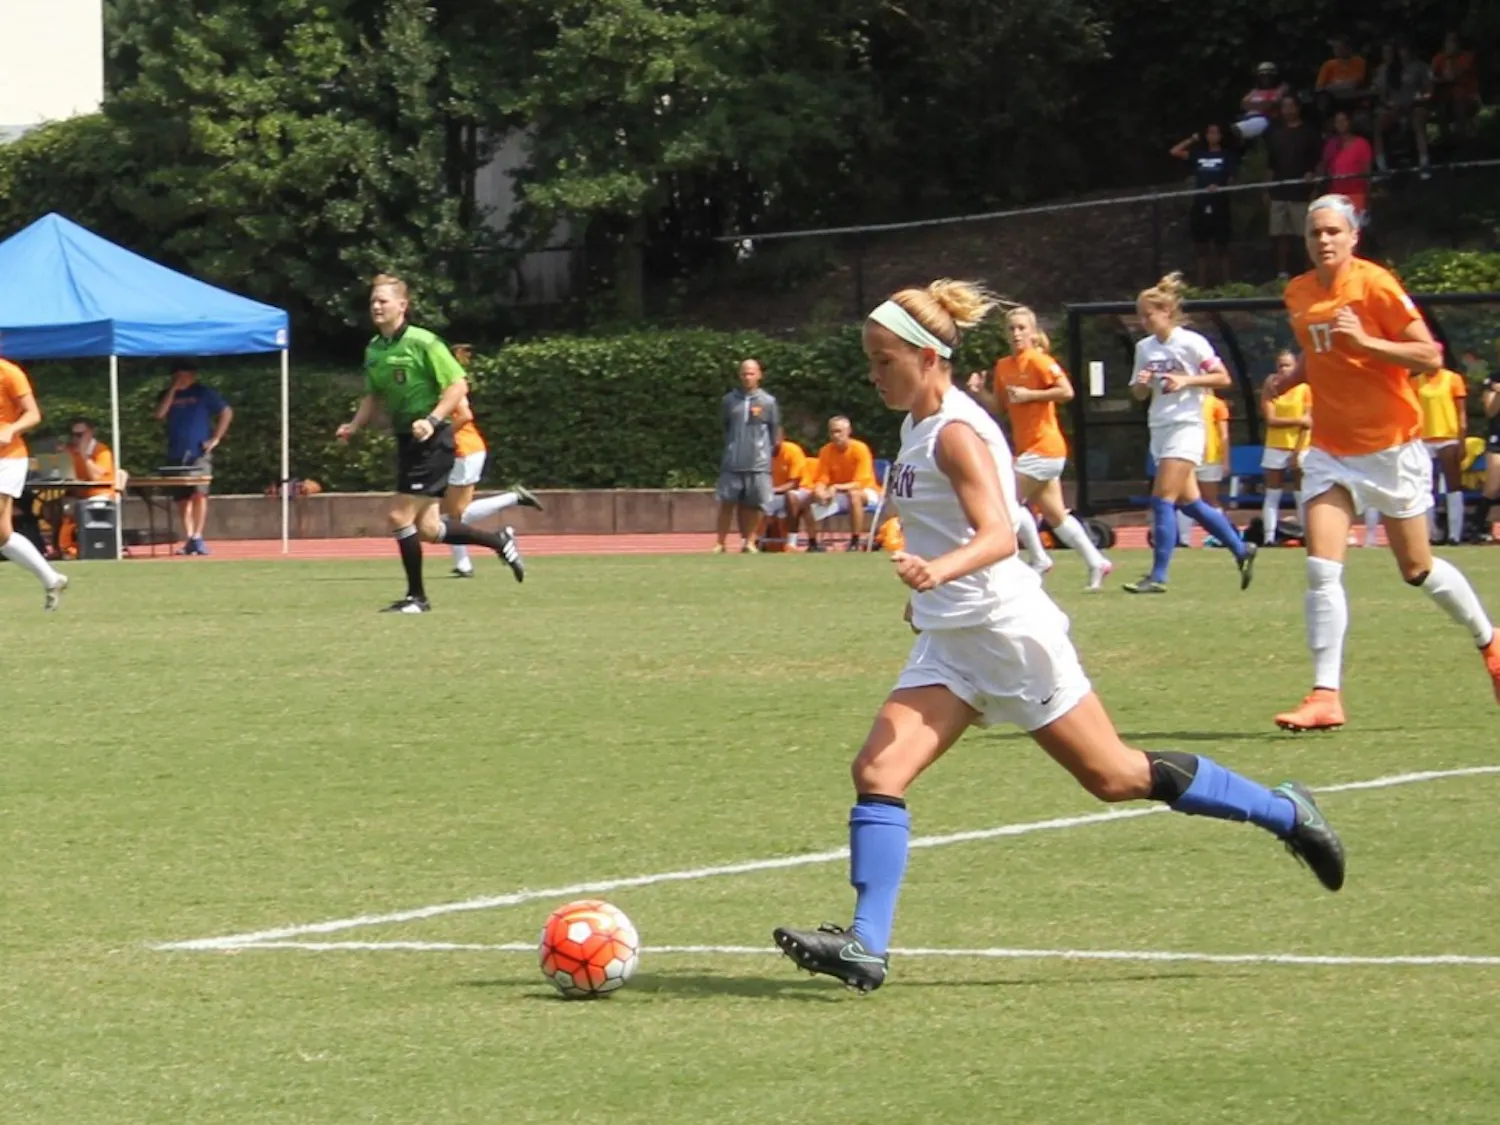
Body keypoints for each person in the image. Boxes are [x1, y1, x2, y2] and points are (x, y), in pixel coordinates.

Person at [771, 279, 1345, 994]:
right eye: (872, 359)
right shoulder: (918, 426)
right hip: (953, 639)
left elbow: (997, 537)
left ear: (927, 356)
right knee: (878, 773)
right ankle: (866, 944)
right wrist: (929, 600)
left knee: (1115, 776)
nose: (874, 372)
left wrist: (937, 570)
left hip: (1009, 635)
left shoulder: (955, 429)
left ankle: (1284, 810)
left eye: (884, 358)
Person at [1264, 195, 1500, 732]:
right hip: (1329, 449)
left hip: (1391, 446)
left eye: (1331, 232)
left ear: (1352, 237)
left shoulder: (1377, 285)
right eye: (1313, 233)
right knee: (1322, 568)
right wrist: (1291, 377)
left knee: (1416, 569)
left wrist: (1366, 340)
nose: (1322, 240)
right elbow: (1319, 351)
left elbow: (1429, 355)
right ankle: (1326, 695)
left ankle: (1490, 640)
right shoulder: (1297, 292)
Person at [336, 274, 524, 613]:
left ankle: (417, 598)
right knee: (428, 529)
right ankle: (499, 541)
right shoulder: (375, 349)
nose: (376, 306)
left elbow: (458, 386)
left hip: (433, 440)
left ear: (402, 306)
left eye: (383, 300)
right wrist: (354, 425)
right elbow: (373, 395)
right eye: (373, 301)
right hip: (407, 441)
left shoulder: (425, 342)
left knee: (398, 515)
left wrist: (433, 420)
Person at [1123, 272, 1257, 593]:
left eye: (1148, 314)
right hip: (1159, 428)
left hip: (1186, 427)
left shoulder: (1191, 342)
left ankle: (1158, 576)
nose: (1143, 321)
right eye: (1140, 315)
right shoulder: (1144, 348)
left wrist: (1187, 380)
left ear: (1166, 312)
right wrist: (1141, 384)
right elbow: (1139, 394)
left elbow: (1223, 378)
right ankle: (1241, 550)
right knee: (1192, 504)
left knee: (1162, 499)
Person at [967, 306, 1112, 589]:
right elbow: (999, 406)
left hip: (1045, 448)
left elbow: (1066, 391)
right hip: (1028, 451)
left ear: (1033, 333)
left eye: (1022, 328)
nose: (1016, 333)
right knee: (1055, 515)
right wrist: (979, 392)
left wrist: (1031, 394)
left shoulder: (1039, 361)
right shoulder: (1003, 366)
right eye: (1011, 329)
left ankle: (1038, 559)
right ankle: (1097, 562)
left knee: (1005, 501)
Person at [441, 344, 541, 578]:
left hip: (463, 451)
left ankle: (513, 500)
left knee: (453, 517)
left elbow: (465, 416)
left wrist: (437, 432)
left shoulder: (448, 386)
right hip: (462, 452)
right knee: (449, 515)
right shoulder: (441, 385)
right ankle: (464, 564)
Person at [0, 356, 67, 608]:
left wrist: (11, 429)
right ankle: (52, 579)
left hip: (7, 459)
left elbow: (33, 414)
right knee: (3, 535)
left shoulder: (9, 372)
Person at [153, 360, 233, 556]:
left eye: (187, 374)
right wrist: (173, 390)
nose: (185, 378)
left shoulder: (204, 392)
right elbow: (159, 414)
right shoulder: (167, 394)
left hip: (198, 452)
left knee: (199, 493)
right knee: (181, 498)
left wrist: (215, 438)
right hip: (176, 451)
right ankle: (189, 537)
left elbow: (226, 411)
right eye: (180, 375)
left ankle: (198, 535)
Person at [714, 359, 780, 554]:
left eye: (751, 373)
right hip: (733, 460)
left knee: (755, 503)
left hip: (758, 461)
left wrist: (767, 453)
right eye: (744, 373)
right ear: (739, 375)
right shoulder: (729, 400)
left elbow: (773, 429)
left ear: (759, 375)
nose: (747, 377)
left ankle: (749, 541)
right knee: (727, 502)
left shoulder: (768, 401)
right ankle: (720, 542)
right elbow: (725, 426)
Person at [1169, 124, 1238, 288]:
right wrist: (1192, 139)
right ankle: (1202, 285)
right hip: (1200, 203)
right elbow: (1174, 151)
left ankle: (1227, 284)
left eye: (1216, 133)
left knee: (1222, 246)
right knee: (1201, 246)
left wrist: (1220, 186)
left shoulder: (1227, 155)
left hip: (1220, 202)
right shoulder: (1198, 154)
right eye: (1209, 133)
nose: (1212, 136)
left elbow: (1233, 178)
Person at [1264, 95, 1323, 280]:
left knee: (1304, 234)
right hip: (1279, 192)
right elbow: (1270, 165)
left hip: (1301, 193)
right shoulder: (1276, 134)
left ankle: (1309, 272)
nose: (1288, 110)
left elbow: (1319, 163)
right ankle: (1282, 273)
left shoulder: (1310, 133)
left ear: (1298, 108)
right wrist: (1266, 189)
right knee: (1280, 235)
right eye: (1284, 107)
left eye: (1291, 106)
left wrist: (1316, 184)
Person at [1260, 351, 1313, 545]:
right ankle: (1268, 537)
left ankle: (1306, 534)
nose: (1284, 369)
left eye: (1288, 365)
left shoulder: (1304, 388)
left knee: (1301, 493)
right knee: (1273, 493)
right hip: (1275, 445)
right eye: (1280, 365)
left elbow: (1309, 423)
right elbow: (1271, 420)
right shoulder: (1271, 387)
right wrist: (1298, 419)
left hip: (1299, 446)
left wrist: (1297, 452)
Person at [1412, 365, 1468, 545]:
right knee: (1425, 487)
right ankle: (1431, 533)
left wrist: (1462, 439)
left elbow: (1461, 412)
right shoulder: (1415, 382)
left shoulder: (1452, 379)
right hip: (1423, 439)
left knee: (1453, 485)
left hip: (1448, 437)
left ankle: (1454, 534)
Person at [807, 416, 881, 550]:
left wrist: (836, 487)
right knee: (810, 496)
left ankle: (855, 542)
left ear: (848, 431)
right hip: (839, 494)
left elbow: (861, 482)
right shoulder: (825, 451)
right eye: (832, 432)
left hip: (868, 491)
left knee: (854, 495)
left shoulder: (860, 449)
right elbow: (822, 478)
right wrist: (819, 490)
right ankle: (813, 544)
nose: (835, 435)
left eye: (839, 431)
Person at [1371, 41, 1432, 177]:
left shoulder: (1420, 67)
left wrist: (1419, 99)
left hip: (1416, 106)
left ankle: (1424, 163)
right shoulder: (1388, 70)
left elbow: (1429, 92)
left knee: (1418, 121)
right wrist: (1389, 104)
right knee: (1378, 124)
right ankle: (1382, 167)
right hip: (1395, 110)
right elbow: (1383, 95)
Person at [1184, 389, 1232, 548]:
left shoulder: (1216, 404)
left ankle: (1219, 537)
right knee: (1185, 499)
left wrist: (1225, 460)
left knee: (1211, 499)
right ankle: (1183, 540)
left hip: (1209, 458)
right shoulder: (1183, 402)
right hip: (1187, 455)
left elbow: (1224, 435)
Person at [1319, 110, 1374, 230]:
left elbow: (1367, 172)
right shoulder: (1330, 145)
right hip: (1336, 196)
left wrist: (1368, 194)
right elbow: (1324, 168)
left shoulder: (1361, 143)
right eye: (1337, 121)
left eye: (1343, 120)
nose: (1341, 124)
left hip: (1357, 194)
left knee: (1357, 230)